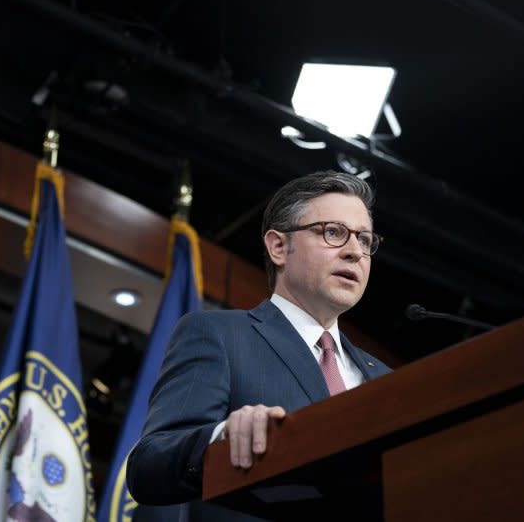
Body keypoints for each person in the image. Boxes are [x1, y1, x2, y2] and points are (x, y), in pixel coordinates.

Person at [127, 170, 393, 521]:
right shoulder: (219, 335)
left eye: (364, 240)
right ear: (278, 246)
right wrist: (222, 437)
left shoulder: (386, 379)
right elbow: (149, 466)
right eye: (334, 233)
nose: (354, 252)